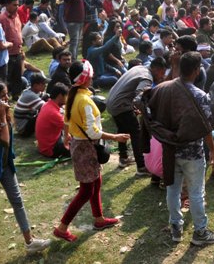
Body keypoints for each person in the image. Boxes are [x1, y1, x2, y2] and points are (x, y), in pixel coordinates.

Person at [145, 52, 214, 246]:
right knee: (196, 192)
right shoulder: (200, 96)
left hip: (170, 150)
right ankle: (200, 232)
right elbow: (206, 128)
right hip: (193, 152)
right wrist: (212, 150)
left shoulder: (163, 89)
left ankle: (176, 228)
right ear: (197, 71)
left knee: (173, 189)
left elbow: (150, 111)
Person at [52, 60, 129, 242]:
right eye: (91, 76)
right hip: (86, 147)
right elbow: (93, 132)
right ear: (86, 78)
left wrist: (65, 136)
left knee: (97, 181)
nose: (93, 78)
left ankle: (99, 218)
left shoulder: (73, 94)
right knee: (86, 190)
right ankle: (62, 228)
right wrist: (116, 137)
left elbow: (67, 118)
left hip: (79, 145)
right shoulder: (85, 100)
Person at [0, 79, 51, 258]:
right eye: (3, 96)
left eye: (6, 94)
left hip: (6, 164)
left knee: (17, 202)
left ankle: (30, 242)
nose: (7, 99)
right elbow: (4, 141)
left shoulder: (5, 113)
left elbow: (8, 144)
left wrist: (4, 116)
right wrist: (1, 117)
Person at [105, 57, 167, 175]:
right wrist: (146, 113)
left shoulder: (140, 68)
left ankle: (123, 158)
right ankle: (141, 166)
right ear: (157, 69)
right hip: (121, 105)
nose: (162, 77)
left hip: (112, 102)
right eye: (162, 73)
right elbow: (139, 98)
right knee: (136, 132)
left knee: (123, 129)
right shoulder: (147, 78)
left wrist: (134, 107)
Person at [0, 0, 25, 99]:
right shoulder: (2, 19)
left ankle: (16, 95)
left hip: (17, 51)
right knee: (7, 77)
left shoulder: (17, 16)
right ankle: (5, 96)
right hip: (7, 54)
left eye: (18, 5)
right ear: (7, 5)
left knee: (17, 76)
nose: (17, 7)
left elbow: (18, 31)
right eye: (14, 5)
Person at [36, 83, 70, 158]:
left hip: (44, 146)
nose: (67, 98)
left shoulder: (47, 104)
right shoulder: (53, 113)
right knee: (80, 145)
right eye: (66, 96)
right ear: (60, 96)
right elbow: (71, 128)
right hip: (51, 149)